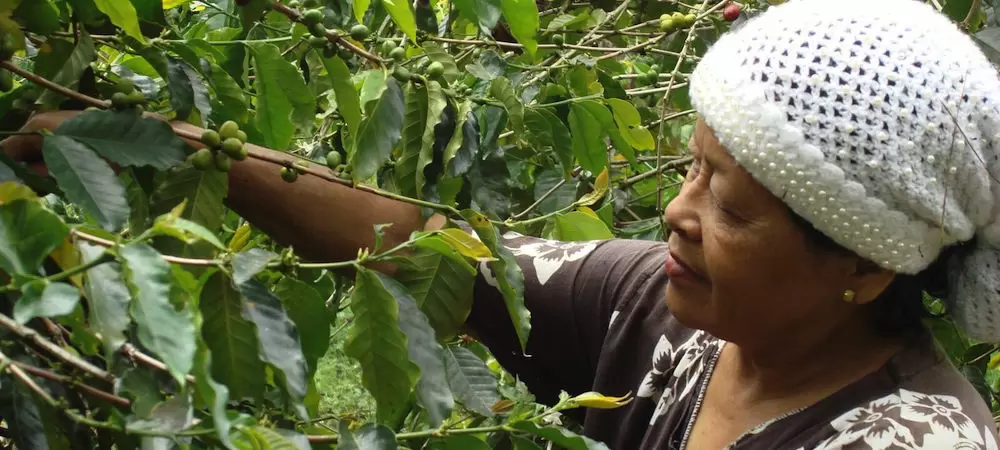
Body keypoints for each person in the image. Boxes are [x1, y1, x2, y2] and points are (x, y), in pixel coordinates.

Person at [5, 0, 1000, 447]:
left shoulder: (912, 441)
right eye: (694, 170)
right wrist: (170, 148)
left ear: (866, 269)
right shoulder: (665, 322)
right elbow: (426, 248)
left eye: (732, 205)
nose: (679, 212)